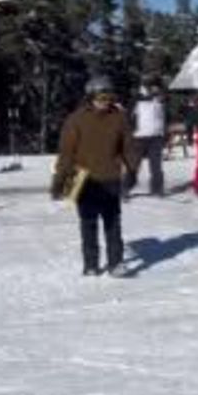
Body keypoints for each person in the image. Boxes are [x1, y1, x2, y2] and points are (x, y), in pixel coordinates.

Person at [51, 75, 139, 276]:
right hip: (82, 178)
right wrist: (60, 180)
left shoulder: (119, 117)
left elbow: (129, 147)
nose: (105, 102)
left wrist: (132, 170)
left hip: (110, 176)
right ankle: (91, 264)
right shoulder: (76, 119)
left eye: (109, 97)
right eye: (101, 98)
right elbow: (66, 153)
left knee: (113, 223)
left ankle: (115, 263)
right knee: (88, 222)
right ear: (90, 97)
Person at [131, 82, 166, 196]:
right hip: (139, 137)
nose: (157, 91)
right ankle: (126, 187)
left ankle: (157, 188)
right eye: (154, 89)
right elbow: (130, 117)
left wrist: (164, 134)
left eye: (158, 89)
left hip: (156, 137)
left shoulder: (159, 102)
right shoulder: (137, 101)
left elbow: (163, 119)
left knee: (156, 166)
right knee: (134, 164)